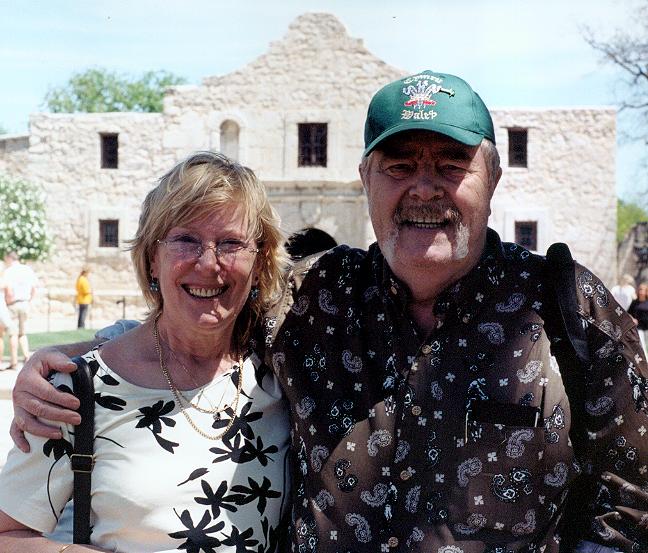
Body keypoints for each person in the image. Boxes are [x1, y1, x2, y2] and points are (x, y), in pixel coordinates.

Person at [10, 71, 648, 553]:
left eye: (451, 166)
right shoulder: (312, 298)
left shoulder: (566, 307)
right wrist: (70, 365)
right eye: (399, 166)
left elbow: (631, 502)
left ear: (493, 179)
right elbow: (200, 315)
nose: (424, 187)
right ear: (365, 179)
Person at [0, 152, 291, 552]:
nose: (208, 264)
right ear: (153, 259)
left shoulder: (281, 372)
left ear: (259, 263)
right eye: (186, 240)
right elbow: (8, 534)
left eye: (230, 243)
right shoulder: (77, 389)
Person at [3, 251, 38, 364]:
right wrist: (29, 300)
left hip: (13, 303)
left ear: (9, 258)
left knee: (13, 333)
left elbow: (8, 290)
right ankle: (27, 356)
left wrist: (7, 303)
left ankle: (14, 361)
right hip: (25, 302)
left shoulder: (8, 271)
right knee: (22, 333)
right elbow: (34, 288)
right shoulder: (27, 270)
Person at [0, 270, 18, 370]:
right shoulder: (4, 281)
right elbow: (10, 296)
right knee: (13, 333)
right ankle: (14, 361)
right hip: (2, 310)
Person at [628, 282, 648, 353]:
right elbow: (628, 313)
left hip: (646, 328)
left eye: (643, 290)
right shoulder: (634, 302)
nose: (641, 292)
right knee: (641, 347)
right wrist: (632, 319)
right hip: (638, 329)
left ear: (646, 292)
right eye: (640, 290)